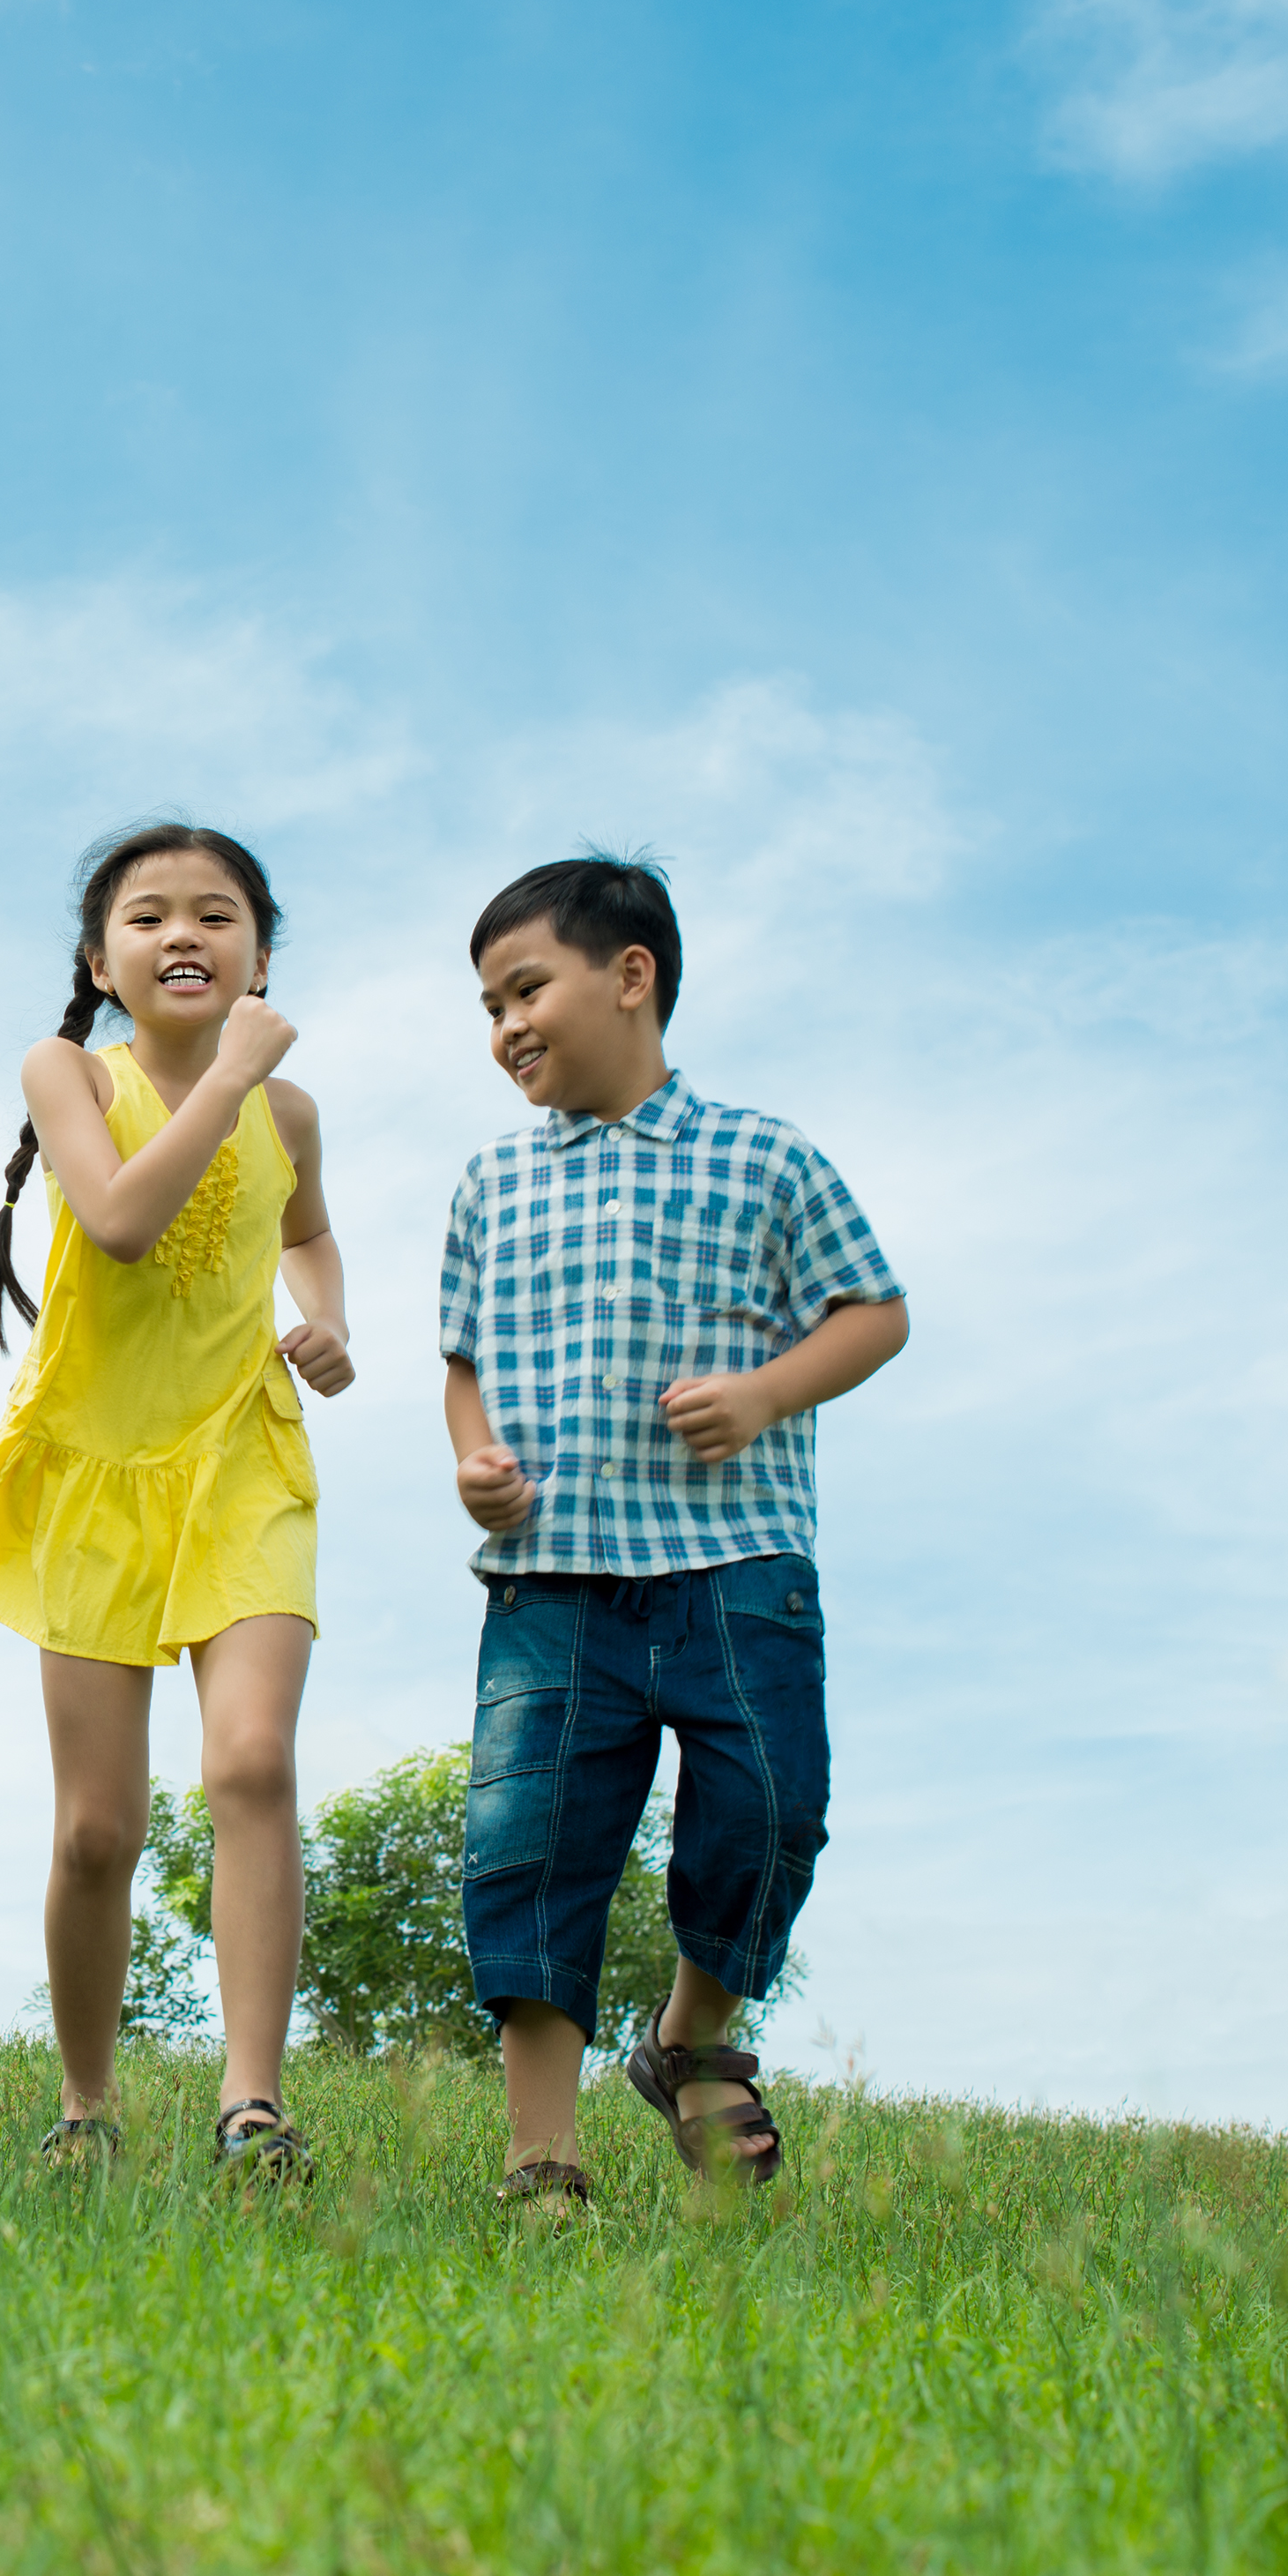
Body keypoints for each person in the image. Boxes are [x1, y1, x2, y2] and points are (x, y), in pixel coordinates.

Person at [439, 855, 907, 2206]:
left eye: (527, 986)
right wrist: (473, 1457)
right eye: (487, 1005)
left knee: (771, 1812)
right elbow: (460, 1357)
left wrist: (765, 1392)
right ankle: (542, 2155)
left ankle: (690, 2035)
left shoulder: (767, 1154)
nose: (505, 1025)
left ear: (631, 975)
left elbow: (872, 1310)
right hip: (554, 1573)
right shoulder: (489, 1183)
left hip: (737, 1558)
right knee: (533, 1847)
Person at [0, 822, 353, 2177]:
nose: (185, 936)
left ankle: (251, 2106)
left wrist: (326, 1317)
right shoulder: (71, 1074)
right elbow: (116, 1219)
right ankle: (89, 2106)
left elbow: (307, 1230)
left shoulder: (290, 1112)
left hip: (243, 1460)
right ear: (100, 963)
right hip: (96, 1470)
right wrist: (225, 1079)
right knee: (99, 1827)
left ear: (260, 954)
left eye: (217, 915)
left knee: (252, 1763)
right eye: (149, 916)